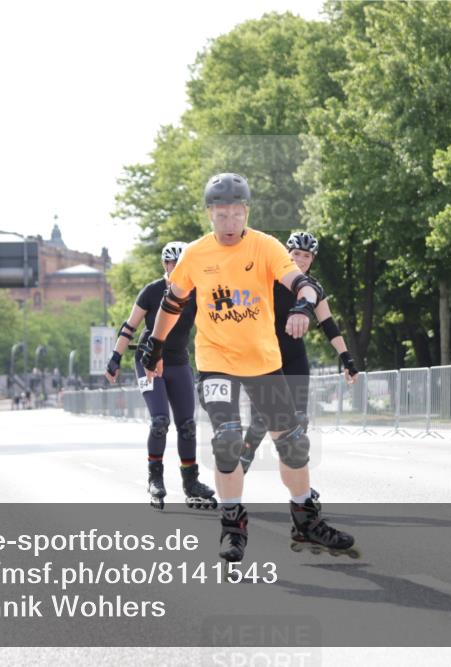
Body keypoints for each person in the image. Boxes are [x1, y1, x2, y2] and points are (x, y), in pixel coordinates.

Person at [140, 172, 357, 562]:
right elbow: (171, 304)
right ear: (210, 214)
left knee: (292, 444)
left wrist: (303, 306)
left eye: (235, 214)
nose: (228, 223)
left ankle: (306, 520)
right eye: (220, 215)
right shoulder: (195, 254)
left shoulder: (265, 247)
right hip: (216, 363)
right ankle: (233, 528)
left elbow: (304, 283)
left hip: (264, 362)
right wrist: (154, 346)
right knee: (227, 440)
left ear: (246, 211)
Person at [105, 240, 216, 510]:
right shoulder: (152, 291)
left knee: (187, 425)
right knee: (159, 421)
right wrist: (115, 358)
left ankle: (191, 483)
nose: (177, 268)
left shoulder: (197, 292)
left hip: (178, 361)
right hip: (148, 360)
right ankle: (155, 478)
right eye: (172, 263)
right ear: (165, 264)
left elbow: (212, 329)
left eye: (182, 264)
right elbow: (128, 327)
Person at [240, 231, 359, 477]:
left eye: (306, 256)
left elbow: (329, 325)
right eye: (296, 254)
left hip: (295, 357)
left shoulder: (313, 288)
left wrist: (347, 359)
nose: (301, 260)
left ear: (312, 259)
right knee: (260, 422)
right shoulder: (269, 279)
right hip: (264, 358)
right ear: (287, 253)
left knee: (299, 422)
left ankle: (300, 485)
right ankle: (239, 468)